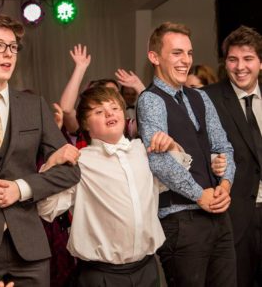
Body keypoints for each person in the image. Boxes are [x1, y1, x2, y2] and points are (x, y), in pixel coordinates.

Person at [0, 14, 80, 287]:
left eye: (13, 47)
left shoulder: (33, 105)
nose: (9, 54)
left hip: (30, 250)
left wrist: (22, 188)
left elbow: (72, 171)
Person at [38, 86, 189, 287]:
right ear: (85, 124)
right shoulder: (80, 162)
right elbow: (46, 209)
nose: (109, 113)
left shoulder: (143, 151)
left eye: (115, 108)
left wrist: (172, 146)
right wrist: (51, 163)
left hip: (146, 269)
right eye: (99, 111)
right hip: (101, 274)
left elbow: (177, 179)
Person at [137, 21, 237, 287]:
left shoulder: (200, 97)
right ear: (154, 57)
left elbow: (223, 146)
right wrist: (199, 195)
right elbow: (159, 161)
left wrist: (225, 184)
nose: (186, 61)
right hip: (181, 221)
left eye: (189, 53)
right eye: (177, 53)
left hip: (218, 215)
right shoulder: (151, 100)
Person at [204, 25, 262, 287]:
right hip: (234, 216)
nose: (240, 67)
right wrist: (212, 160)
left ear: (260, 62)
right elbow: (197, 148)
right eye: (233, 59)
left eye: (248, 58)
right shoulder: (208, 98)